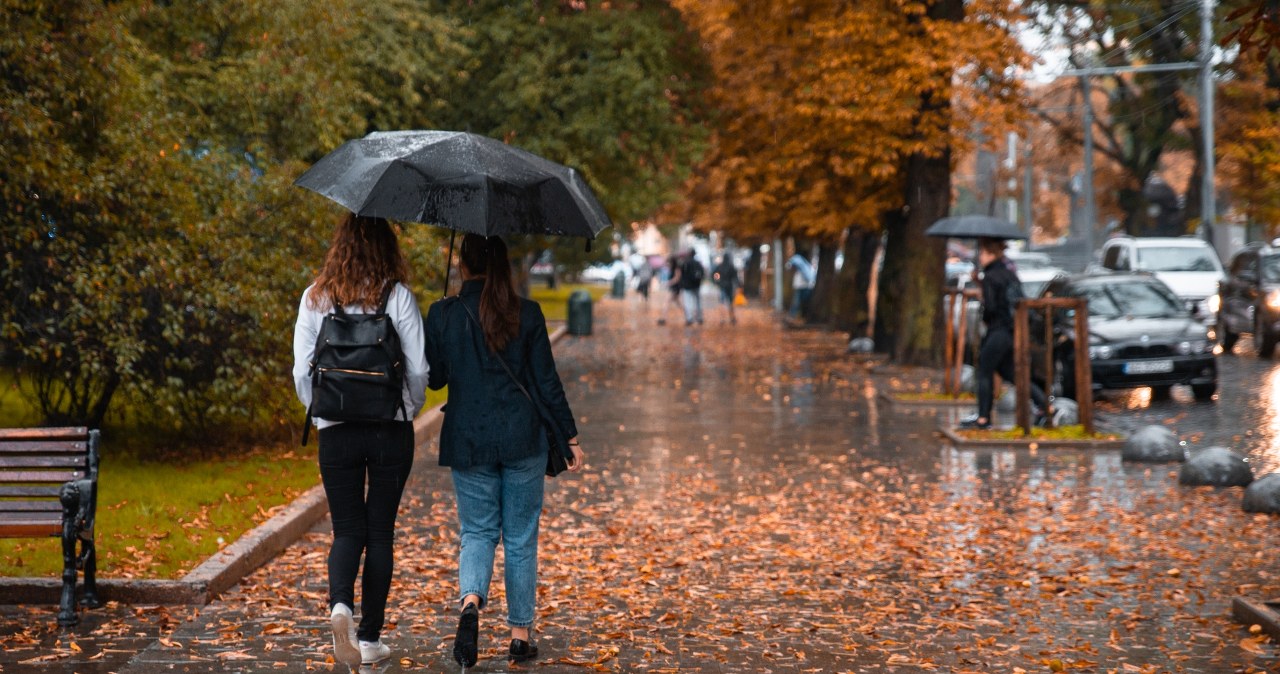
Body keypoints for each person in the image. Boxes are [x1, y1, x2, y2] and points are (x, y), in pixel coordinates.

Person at [424, 234, 585, 668]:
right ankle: (519, 634)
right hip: (522, 438)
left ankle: (471, 603)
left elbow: (434, 379)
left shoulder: (444, 313)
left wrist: (438, 329)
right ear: (504, 267)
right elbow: (546, 382)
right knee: (519, 536)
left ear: (463, 264)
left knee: (477, 532)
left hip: (468, 439)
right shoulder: (527, 314)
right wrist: (569, 437)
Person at [291, 214, 428, 668]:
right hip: (390, 428)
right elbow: (418, 371)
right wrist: (408, 407)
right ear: (387, 249)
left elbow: (300, 372)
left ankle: (340, 608)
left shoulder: (315, 298)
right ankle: (368, 639)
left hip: (336, 431)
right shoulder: (398, 297)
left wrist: (324, 413)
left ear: (341, 246)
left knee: (347, 528)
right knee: (380, 531)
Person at [959, 237, 1050, 430]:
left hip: (999, 330)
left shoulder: (991, 276)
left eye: (982, 253)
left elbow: (991, 309)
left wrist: (982, 293)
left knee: (984, 370)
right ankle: (1045, 406)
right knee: (1011, 372)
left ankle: (983, 418)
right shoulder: (1008, 272)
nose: (980, 257)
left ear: (991, 253)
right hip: (1011, 330)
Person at [786, 250, 816, 321]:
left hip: (806, 286)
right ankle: (795, 315)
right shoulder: (803, 267)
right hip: (803, 286)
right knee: (797, 302)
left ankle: (798, 315)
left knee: (799, 302)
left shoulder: (804, 267)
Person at [679, 250, 705, 326]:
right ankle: (699, 317)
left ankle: (689, 318)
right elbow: (702, 273)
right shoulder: (698, 263)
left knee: (688, 302)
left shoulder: (685, 263)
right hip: (696, 285)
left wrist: (682, 284)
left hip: (687, 286)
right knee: (698, 302)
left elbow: (682, 274)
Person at [712, 254, 739, 325]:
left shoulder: (720, 266)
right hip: (729, 286)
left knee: (722, 302)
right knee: (730, 302)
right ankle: (732, 317)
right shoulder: (731, 267)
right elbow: (735, 277)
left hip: (722, 286)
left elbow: (714, 274)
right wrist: (738, 285)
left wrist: (717, 281)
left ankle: (722, 318)